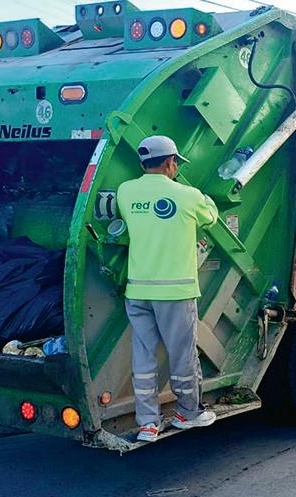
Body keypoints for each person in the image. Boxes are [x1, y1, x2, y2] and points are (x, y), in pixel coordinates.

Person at [117, 135, 219, 442]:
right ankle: (188, 412)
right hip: (175, 292)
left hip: (138, 292)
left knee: (143, 358)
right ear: (171, 163)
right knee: (182, 356)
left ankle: (148, 423)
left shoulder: (125, 191)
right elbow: (211, 217)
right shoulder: (188, 196)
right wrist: (205, 199)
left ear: (142, 164)